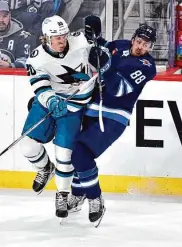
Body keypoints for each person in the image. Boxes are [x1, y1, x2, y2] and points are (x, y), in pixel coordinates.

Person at [68, 16, 157, 227]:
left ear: (151, 47)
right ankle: (78, 193)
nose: (140, 46)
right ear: (133, 38)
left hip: (114, 117)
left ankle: (94, 197)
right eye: (139, 41)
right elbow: (103, 48)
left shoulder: (146, 66)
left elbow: (118, 90)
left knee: (80, 155)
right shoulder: (123, 45)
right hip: (91, 109)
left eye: (146, 45)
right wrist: (94, 36)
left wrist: (105, 67)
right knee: (79, 156)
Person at [19, 15, 110, 220]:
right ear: (46, 39)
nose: (62, 41)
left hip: (75, 104)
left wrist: (99, 42)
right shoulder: (36, 58)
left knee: (64, 153)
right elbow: (40, 87)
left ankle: (62, 194)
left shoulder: (80, 40)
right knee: (27, 146)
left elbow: (101, 45)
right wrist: (51, 100)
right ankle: (45, 168)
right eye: (57, 38)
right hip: (48, 102)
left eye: (64, 36)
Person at [0, 0, 35, 68]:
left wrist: (10, 65)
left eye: (5, 16)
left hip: (12, 77)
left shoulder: (22, 36)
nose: (1, 20)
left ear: (10, 16)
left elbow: (26, 61)